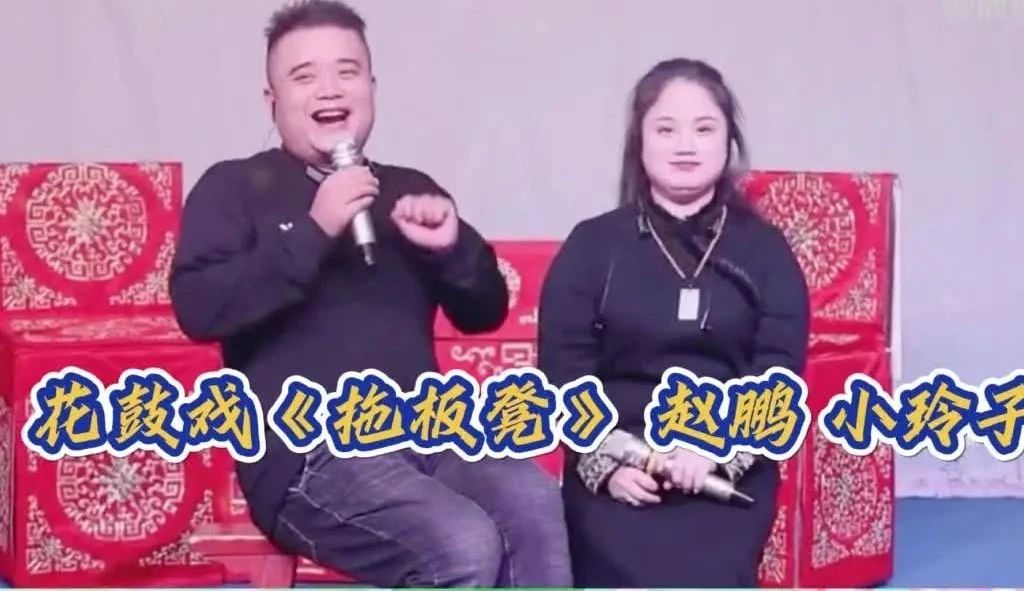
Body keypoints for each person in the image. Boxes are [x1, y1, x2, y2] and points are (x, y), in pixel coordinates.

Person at [169, 1, 571, 587]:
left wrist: (453, 247)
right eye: (304, 76)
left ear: (372, 89)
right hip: (308, 456)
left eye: (347, 71)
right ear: (272, 100)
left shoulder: (407, 189)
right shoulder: (233, 187)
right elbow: (198, 307)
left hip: (427, 435)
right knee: (461, 542)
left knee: (534, 502)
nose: (329, 89)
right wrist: (314, 230)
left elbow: (485, 310)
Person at [538, 58, 810, 587]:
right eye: (666, 130)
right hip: (617, 467)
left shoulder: (766, 251)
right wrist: (607, 466)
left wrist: (716, 448)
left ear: (728, 141)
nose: (685, 146)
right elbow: (562, 371)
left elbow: (778, 371)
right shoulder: (592, 245)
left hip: (724, 472)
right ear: (639, 142)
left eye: (703, 129)